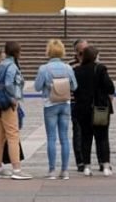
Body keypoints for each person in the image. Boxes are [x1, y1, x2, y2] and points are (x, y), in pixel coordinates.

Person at [0, 40, 32, 180]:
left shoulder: (1, 65)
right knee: (13, 135)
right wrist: (14, 98)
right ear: (17, 52)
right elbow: (9, 84)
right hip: (8, 103)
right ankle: (17, 169)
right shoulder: (12, 66)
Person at [35, 39, 77, 180]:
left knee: (51, 138)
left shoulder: (44, 69)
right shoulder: (68, 68)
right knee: (64, 137)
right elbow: (74, 86)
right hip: (65, 103)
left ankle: (52, 170)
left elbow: (37, 87)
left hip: (50, 103)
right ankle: (64, 170)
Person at [73, 44, 116, 175]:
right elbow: (110, 87)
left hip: (83, 109)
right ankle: (106, 165)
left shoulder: (77, 70)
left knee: (86, 137)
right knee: (102, 136)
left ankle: (86, 166)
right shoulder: (101, 69)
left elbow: (75, 90)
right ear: (95, 56)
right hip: (100, 108)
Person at [69, 38, 90, 172]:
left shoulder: (94, 64)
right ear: (76, 53)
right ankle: (80, 161)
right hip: (75, 102)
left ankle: (99, 160)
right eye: (82, 52)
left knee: (93, 132)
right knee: (78, 131)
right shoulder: (70, 66)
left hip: (90, 103)